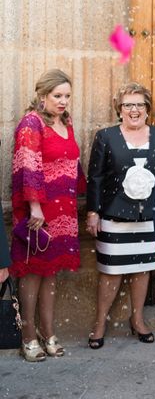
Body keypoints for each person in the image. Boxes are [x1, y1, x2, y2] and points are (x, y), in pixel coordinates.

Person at [9, 69, 85, 362]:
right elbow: (27, 165)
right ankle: (28, 337)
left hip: (63, 210)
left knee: (51, 273)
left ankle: (48, 332)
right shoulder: (31, 123)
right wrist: (35, 207)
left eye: (67, 96)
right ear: (43, 96)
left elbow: (73, 164)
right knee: (31, 274)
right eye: (57, 96)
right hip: (38, 212)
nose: (63, 101)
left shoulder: (67, 121)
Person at [86, 83, 155, 349]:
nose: (134, 110)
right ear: (120, 109)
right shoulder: (106, 137)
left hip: (150, 218)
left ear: (147, 109)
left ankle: (138, 319)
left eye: (140, 104)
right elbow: (95, 177)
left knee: (142, 270)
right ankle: (99, 323)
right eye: (128, 105)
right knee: (110, 272)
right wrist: (93, 212)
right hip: (114, 217)